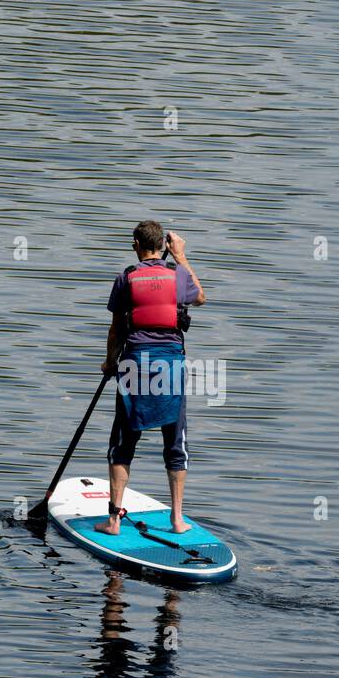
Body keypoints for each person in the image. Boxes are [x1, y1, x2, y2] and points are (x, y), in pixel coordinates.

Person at [96, 220, 205, 536]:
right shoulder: (177, 276)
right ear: (165, 247)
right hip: (170, 368)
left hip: (133, 366)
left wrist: (108, 363)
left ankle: (114, 520)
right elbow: (200, 298)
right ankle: (178, 519)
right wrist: (182, 257)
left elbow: (117, 328)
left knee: (122, 445)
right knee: (175, 444)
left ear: (135, 245)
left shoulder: (126, 278)